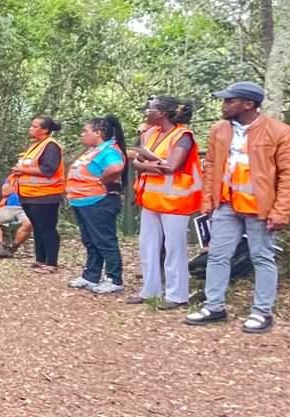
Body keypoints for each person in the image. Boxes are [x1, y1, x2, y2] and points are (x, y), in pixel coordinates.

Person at [186, 82, 290, 333]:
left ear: (248, 104)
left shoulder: (280, 132)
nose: (224, 105)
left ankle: (262, 313)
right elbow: (211, 167)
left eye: (230, 101)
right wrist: (207, 201)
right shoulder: (219, 130)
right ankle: (214, 307)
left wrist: (281, 212)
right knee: (217, 256)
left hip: (260, 208)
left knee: (262, 257)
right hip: (226, 205)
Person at [127, 95, 202, 310]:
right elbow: (137, 161)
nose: (146, 114)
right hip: (151, 198)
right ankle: (150, 290)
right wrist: (149, 165)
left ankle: (177, 295)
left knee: (174, 247)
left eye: (149, 110)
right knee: (147, 245)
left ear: (161, 113)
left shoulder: (183, 135)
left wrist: (147, 164)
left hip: (175, 200)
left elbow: (172, 167)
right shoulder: (150, 133)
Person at [65, 116, 128, 295]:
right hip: (83, 202)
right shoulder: (93, 151)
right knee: (91, 241)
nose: (82, 134)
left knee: (105, 241)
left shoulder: (108, 150)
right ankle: (91, 276)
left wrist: (102, 180)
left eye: (85, 131)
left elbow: (116, 167)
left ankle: (114, 279)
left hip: (99, 202)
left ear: (98, 133)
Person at [12, 116, 65, 273]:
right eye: (31, 125)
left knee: (47, 228)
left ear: (45, 130)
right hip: (29, 194)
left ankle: (51, 263)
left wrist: (23, 170)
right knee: (37, 227)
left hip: (46, 195)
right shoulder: (35, 146)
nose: (31, 128)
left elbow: (49, 169)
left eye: (35, 126)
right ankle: (40, 259)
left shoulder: (51, 146)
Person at [0, 175, 31, 258]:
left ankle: (12, 249)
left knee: (28, 223)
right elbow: (4, 191)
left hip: (26, 207)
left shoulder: (32, 176)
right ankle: (0, 247)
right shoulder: (11, 177)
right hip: (8, 207)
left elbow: (34, 191)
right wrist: (22, 188)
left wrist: (14, 188)